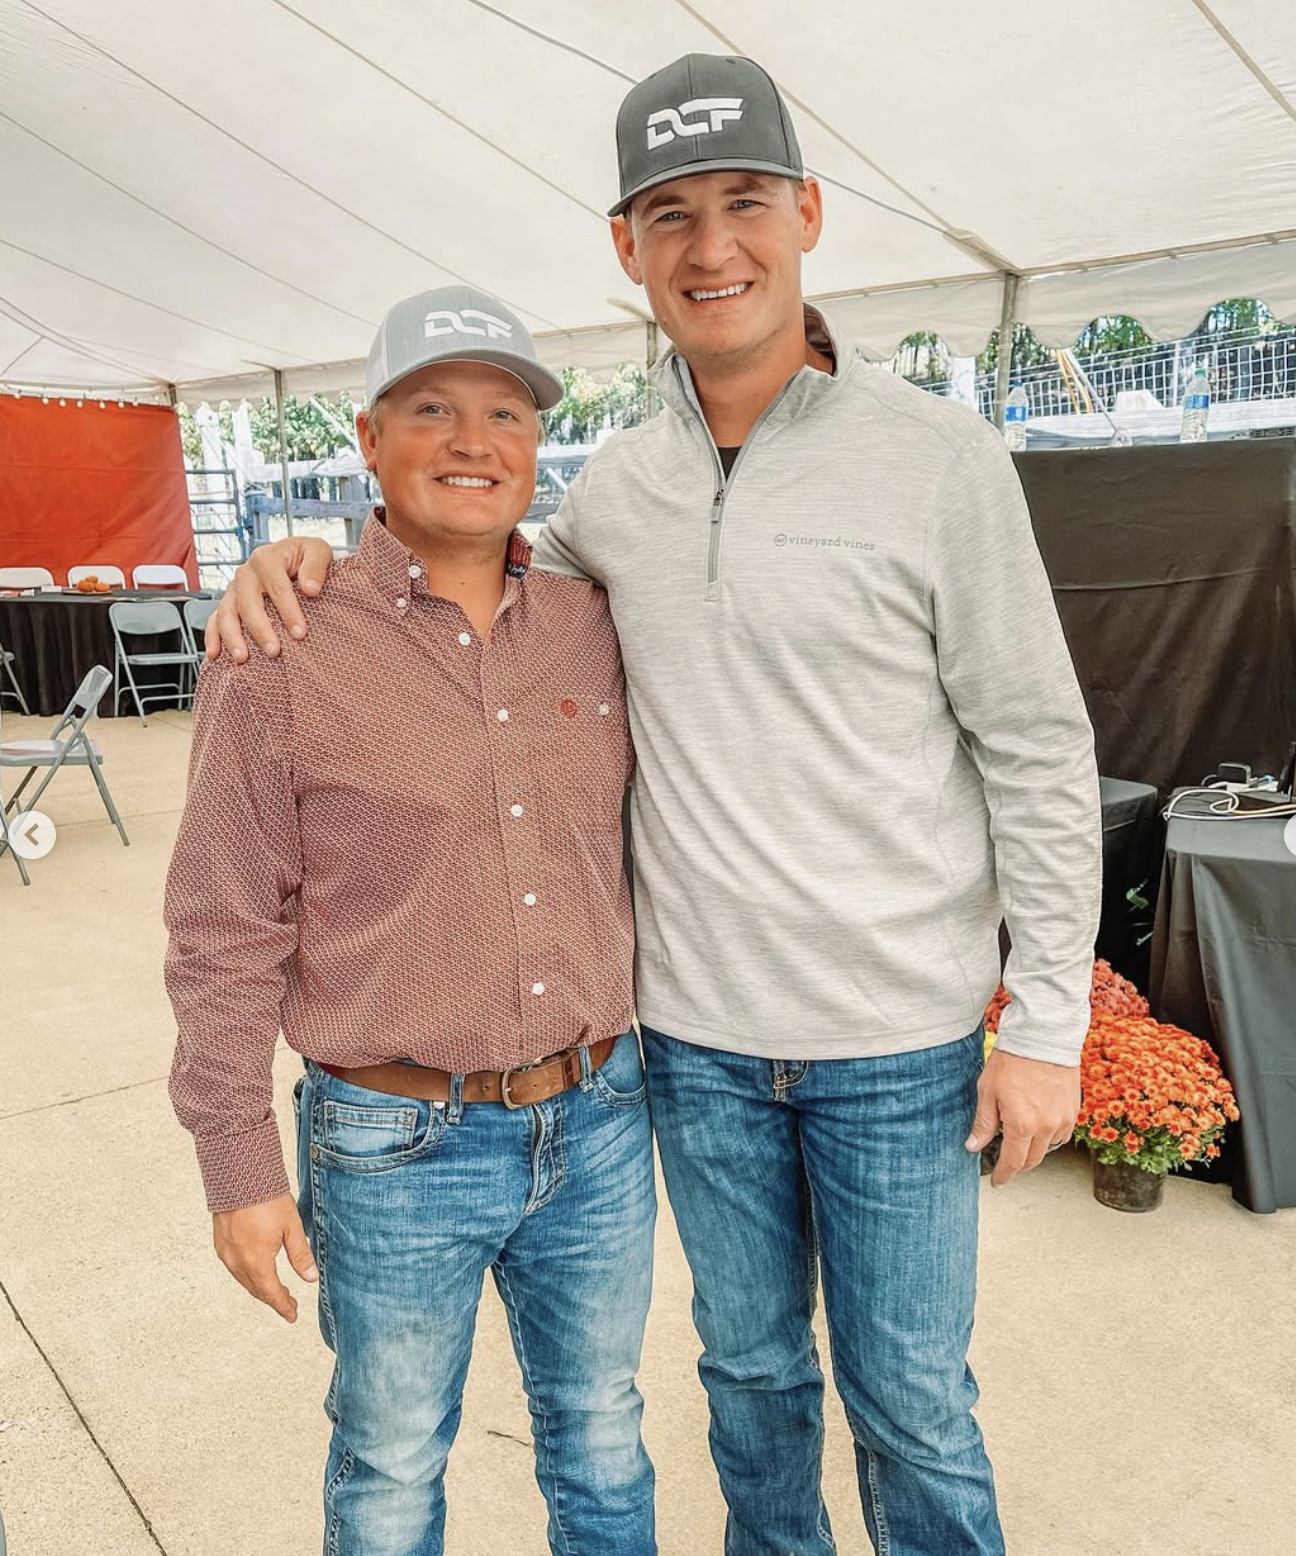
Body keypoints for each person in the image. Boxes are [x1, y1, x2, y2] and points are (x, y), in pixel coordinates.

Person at [208, 54, 1101, 1556]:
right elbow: (463, 549)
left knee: (912, 1405)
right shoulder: (613, 495)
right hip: (690, 1050)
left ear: (809, 213)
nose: (711, 246)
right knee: (747, 1378)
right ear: (625, 246)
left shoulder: (941, 460)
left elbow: (1039, 749)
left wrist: (1051, 1024)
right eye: (670, 214)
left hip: (898, 1040)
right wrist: (309, 559)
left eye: (745, 202)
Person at [165, 286, 656, 1556]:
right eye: (432, 407)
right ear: (369, 437)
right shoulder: (280, 645)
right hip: (393, 1141)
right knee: (388, 1466)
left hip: (601, 1119)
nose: (473, 439)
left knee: (604, 1438)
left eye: (506, 412)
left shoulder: (599, 624)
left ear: (537, 443)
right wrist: (237, 1163)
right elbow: (223, 923)